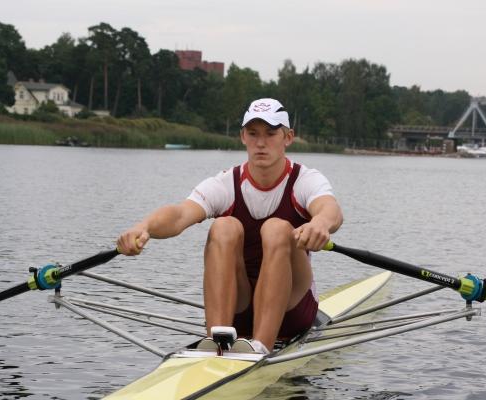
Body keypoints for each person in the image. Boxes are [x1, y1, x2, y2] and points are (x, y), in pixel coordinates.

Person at [117, 98, 343, 354]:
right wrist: (144, 227)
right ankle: (217, 340)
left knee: (277, 228)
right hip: (239, 308)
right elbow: (180, 215)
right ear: (243, 136)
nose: (261, 143)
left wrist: (320, 223)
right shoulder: (226, 183)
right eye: (253, 133)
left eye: (271, 134)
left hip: (292, 310)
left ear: (288, 137)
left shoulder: (305, 180)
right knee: (224, 226)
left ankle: (261, 347)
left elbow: (330, 209)